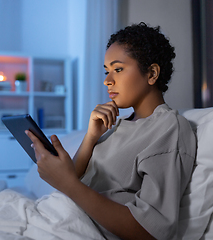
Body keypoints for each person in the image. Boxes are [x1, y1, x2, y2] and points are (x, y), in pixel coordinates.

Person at [26, 22, 196, 240]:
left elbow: (153, 230)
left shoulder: (169, 129)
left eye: (118, 69)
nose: (107, 80)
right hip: (58, 215)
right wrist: (91, 137)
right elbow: (74, 178)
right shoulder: (118, 123)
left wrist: (67, 184)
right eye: (107, 71)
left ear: (152, 73)